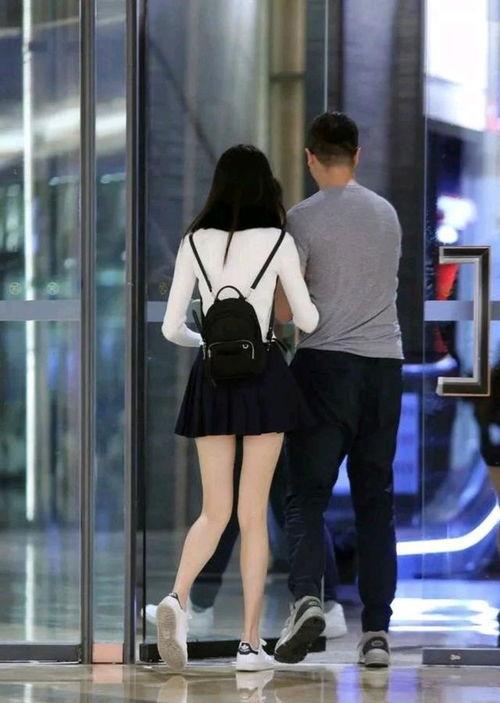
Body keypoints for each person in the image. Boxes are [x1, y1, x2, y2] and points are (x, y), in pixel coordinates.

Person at [159, 144, 319, 671]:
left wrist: (207, 341)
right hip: (264, 377)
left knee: (214, 511)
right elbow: (308, 320)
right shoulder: (278, 241)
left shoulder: (193, 241)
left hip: (211, 378)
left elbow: (171, 327)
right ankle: (250, 645)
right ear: (265, 187)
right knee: (253, 516)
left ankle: (177, 598)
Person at [274, 112, 403, 668]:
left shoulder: (301, 220)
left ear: (310, 157)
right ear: (357, 155)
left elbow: (286, 311)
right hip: (384, 369)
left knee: (306, 495)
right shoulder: (387, 215)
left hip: (324, 366)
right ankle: (377, 634)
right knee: (376, 502)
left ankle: (308, 599)